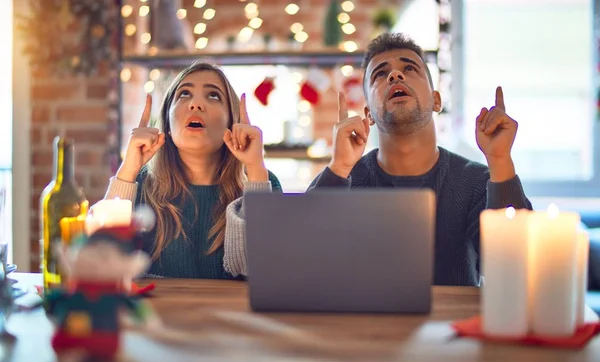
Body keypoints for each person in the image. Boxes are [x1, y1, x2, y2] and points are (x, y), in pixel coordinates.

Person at [308, 33, 532, 286]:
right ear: (368, 113)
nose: (395, 76)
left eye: (409, 68)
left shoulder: (476, 181)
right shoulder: (343, 177)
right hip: (366, 326)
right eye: (380, 74)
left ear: (436, 100)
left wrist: (500, 159)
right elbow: (304, 261)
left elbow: (515, 264)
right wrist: (339, 167)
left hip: (451, 325)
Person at [101, 61, 281, 279]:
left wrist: (255, 169)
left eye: (213, 96)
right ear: (167, 121)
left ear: (232, 122)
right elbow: (102, 262)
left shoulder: (263, 181)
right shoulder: (139, 184)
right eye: (184, 94)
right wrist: (128, 169)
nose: (196, 104)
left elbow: (263, 272)